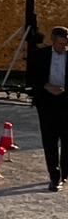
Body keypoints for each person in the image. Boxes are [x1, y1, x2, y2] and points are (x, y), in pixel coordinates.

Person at [26, 25, 68, 191]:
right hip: (47, 102)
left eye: (65, 44)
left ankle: (65, 173)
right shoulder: (39, 56)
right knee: (49, 140)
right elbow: (30, 79)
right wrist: (45, 86)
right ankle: (54, 176)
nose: (62, 48)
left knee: (66, 140)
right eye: (59, 44)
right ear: (52, 41)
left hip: (66, 101)